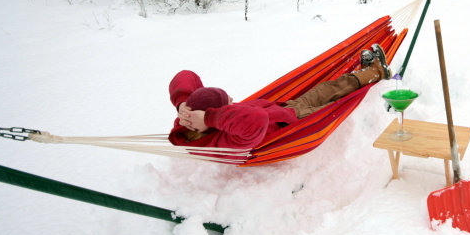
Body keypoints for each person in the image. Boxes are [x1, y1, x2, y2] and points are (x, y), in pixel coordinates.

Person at [168, 44, 391, 149]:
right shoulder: (224, 141)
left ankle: (369, 72)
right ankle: (375, 74)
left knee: (327, 88)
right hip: (295, 124)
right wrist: (210, 118)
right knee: (338, 103)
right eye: (229, 104)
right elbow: (256, 121)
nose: (234, 102)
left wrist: (182, 103)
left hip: (286, 107)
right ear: (217, 115)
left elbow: (184, 76)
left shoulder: (189, 121)